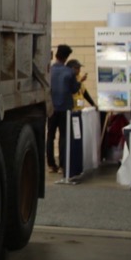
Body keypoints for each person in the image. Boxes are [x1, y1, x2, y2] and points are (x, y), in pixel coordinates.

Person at [47, 44, 79, 173]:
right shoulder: (69, 72)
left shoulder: (49, 70)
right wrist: (79, 81)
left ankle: (50, 164)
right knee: (64, 137)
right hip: (65, 108)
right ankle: (62, 166)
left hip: (51, 108)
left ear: (56, 55)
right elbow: (74, 89)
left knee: (50, 136)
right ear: (66, 57)